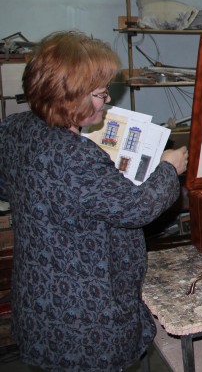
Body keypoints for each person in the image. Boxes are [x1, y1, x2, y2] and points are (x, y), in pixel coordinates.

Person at [0, 31, 189, 371]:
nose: (107, 100)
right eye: (101, 94)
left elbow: (8, 186)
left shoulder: (15, 129)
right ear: (70, 98)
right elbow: (136, 208)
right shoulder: (74, 156)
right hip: (85, 311)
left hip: (38, 294)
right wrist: (168, 169)